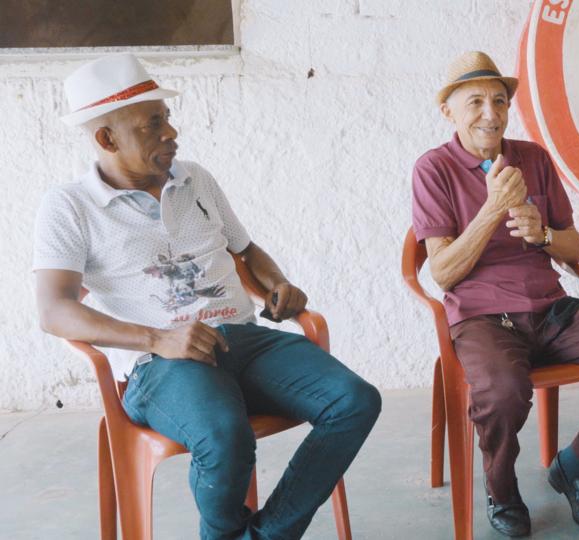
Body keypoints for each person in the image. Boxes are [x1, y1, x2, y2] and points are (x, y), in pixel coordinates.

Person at [34, 53, 381, 539]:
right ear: (106, 138)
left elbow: (247, 250)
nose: (170, 133)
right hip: (162, 366)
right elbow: (55, 310)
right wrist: (159, 338)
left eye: (167, 118)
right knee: (224, 436)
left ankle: (263, 535)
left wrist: (277, 283)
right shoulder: (69, 206)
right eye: (152, 124)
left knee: (354, 401)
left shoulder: (195, 178)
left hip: (245, 339)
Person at [412, 51, 579, 537]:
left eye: (499, 101)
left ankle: (578, 464)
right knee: (502, 393)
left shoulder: (534, 159)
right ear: (448, 112)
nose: (491, 114)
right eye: (475, 102)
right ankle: (502, 491)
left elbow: (572, 245)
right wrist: (493, 208)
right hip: (483, 318)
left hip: (553, 311)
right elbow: (442, 272)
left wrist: (542, 235)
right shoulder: (433, 169)